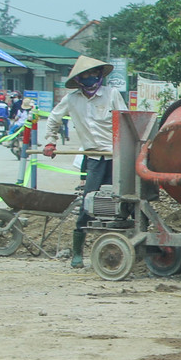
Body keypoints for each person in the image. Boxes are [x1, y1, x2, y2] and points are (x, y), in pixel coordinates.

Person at [41, 55, 125, 269]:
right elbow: (53, 119)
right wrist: (50, 142)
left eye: (93, 74)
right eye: (85, 76)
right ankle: (77, 253)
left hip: (117, 155)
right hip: (94, 158)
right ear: (79, 80)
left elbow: (127, 120)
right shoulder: (72, 99)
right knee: (89, 202)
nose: (90, 78)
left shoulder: (112, 94)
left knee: (123, 199)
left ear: (99, 75)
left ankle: (124, 244)